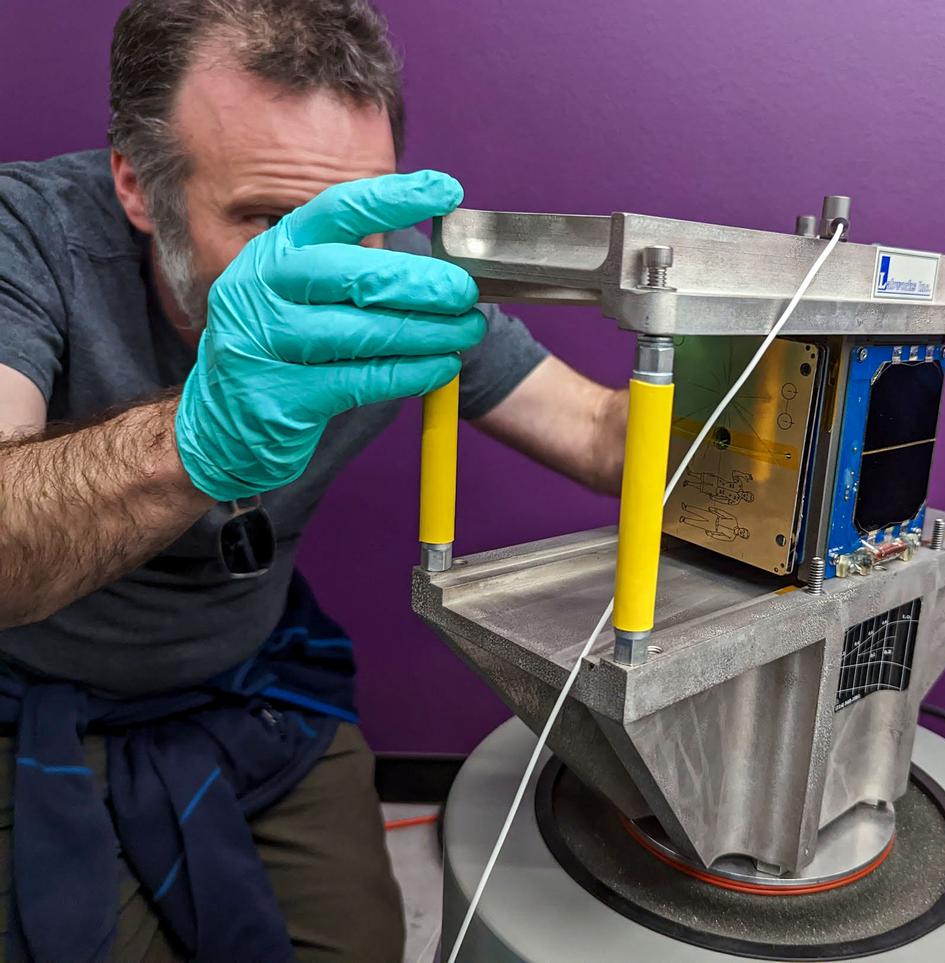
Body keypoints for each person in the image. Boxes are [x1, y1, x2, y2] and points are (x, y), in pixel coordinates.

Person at [0, 0, 626, 959]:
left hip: (255, 676)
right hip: (34, 691)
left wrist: (781, 373)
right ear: (138, 183)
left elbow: (598, 433)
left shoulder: (400, 281)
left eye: (352, 219)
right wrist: (193, 440)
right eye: (266, 220)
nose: (327, 278)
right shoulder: (29, 241)